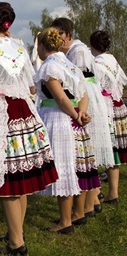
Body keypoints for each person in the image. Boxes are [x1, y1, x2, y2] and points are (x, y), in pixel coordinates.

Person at [0, 2, 58, 254]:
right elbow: (31, 87)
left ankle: (16, 243)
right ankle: (15, 232)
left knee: (8, 181)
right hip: (22, 110)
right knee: (20, 179)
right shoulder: (19, 47)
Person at [34, 27, 99, 234]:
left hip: (59, 119)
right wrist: (81, 113)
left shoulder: (49, 67)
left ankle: (65, 221)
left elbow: (60, 97)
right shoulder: (70, 66)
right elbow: (84, 94)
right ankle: (77, 213)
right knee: (77, 166)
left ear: (42, 47)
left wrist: (73, 114)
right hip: (76, 119)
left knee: (63, 168)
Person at [51, 17, 113, 214]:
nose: (58, 37)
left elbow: (74, 80)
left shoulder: (77, 51)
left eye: (60, 33)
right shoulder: (71, 51)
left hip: (86, 98)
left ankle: (90, 201)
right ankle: (93, 199)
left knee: (87, 150)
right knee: (86, 150)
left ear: (68, 34)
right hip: (84, 95)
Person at [90, 30, 127, 204]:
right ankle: (113, 192)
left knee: (98, 148)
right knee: (114, 153)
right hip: (117, 105)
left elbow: (93, 87)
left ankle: (96, 192)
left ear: (92, 45)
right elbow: (120, 82)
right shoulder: (112, 60)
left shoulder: (95, 63)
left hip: (104, 107)